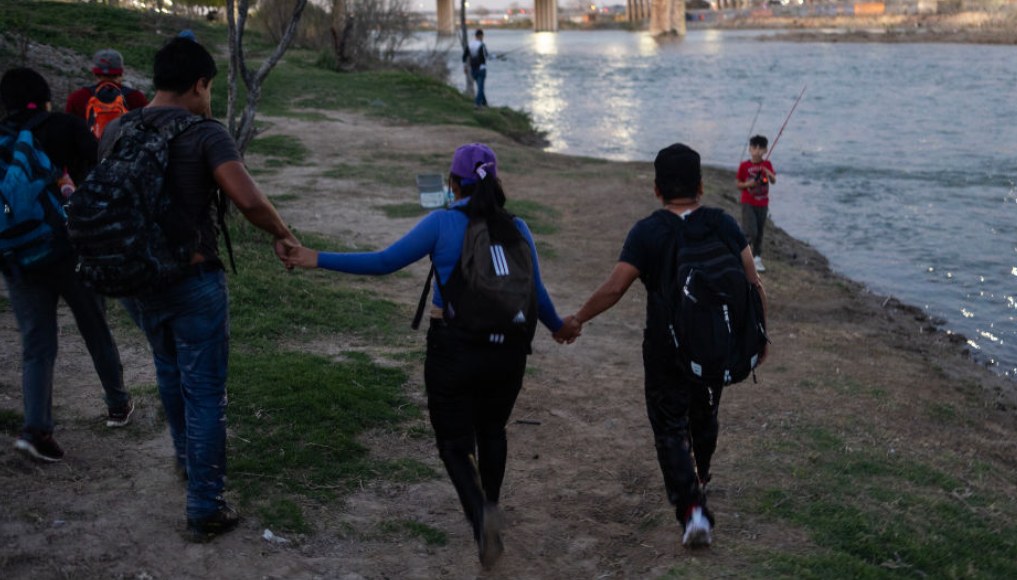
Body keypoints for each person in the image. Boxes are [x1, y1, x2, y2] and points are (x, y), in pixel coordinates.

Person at [284, 143, 567, 569]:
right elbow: (537, 294)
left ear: (454, 184)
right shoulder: (519, 227)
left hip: (455, 350)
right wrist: (561, 327)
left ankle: (481, 516)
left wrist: (315, 258)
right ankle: (491, 504)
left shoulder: (442, 222)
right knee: (492, 430)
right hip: (509, 353)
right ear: (496, 182)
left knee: (454, 443)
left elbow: (384, 262)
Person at [98, 38, 301, 541]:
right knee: (205, 391)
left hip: (135, 280)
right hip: (192, 281)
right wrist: (283, 233)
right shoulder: (205, 132)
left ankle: (188, 461)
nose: (209, 98)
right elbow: (248, 199)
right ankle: (205, 506)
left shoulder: (121, 127)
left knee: (169, 369)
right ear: (199, 84)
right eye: (210, 89)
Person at [556, 143, 766, 548]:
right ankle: (701, 474)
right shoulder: (723, 223)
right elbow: (752, 283)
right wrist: (759, 337)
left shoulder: (648, 232)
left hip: (664, 348)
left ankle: (693, 510)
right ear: (701, 186)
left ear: (657, 189)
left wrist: (577, 319)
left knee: (670, 427)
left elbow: (615, 287)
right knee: (705, 413)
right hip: (712, 344)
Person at [0, 68, 134, 463]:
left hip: (17, 256)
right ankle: (117, 404)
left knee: (36, 344)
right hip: (69, 248)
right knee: (95, 327)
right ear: (45, 98)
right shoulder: (64, 126)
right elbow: (103, 170)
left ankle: (36, 429)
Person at [65, 49, 149, 140]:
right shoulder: (136, 97)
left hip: (89, 148)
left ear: (94, 73)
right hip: (123, 148)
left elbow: (68, 132)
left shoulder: (77, 97)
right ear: (121, 73)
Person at [735, 134, 776, 272]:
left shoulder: (767, 164)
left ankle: (757, 257)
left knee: (759, 231)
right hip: (748, 202)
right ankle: (742, 255)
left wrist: (768, 173)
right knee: (750, 230)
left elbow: (773, 180)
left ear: (766, 150)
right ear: (750, 149)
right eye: (754, 147)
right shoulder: (744, 166)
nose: (757, 151)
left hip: (763, 203)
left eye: (761, 148)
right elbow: (738, 184)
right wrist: (748, 184)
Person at [463, 29, 489, 109]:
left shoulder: (470, 44)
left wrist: (465, 67)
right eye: (482, 36)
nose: (483, 38)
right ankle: (477, 104)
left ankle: (484, 103)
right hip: (481, 69)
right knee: (481, 88)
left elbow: (464, 56)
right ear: (481, 36)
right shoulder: (482, 45)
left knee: (479, 87)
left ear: (475, 36)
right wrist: (496, 57)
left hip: (473, 69)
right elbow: (486, 56)